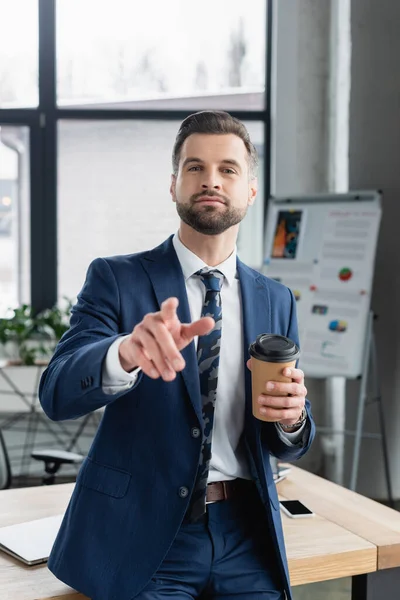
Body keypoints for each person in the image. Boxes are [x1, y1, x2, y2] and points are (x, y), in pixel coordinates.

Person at [39, 110, 315, 600]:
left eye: (228, 169)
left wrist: (292, 419)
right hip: (144, 535)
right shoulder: (116, 279)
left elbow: (290, 439)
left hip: (247, 532)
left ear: (250, 190)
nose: (210, 180)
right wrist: (122, 353)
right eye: (195, 167)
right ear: (173, 185)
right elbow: (57, 393)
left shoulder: (277, 299)